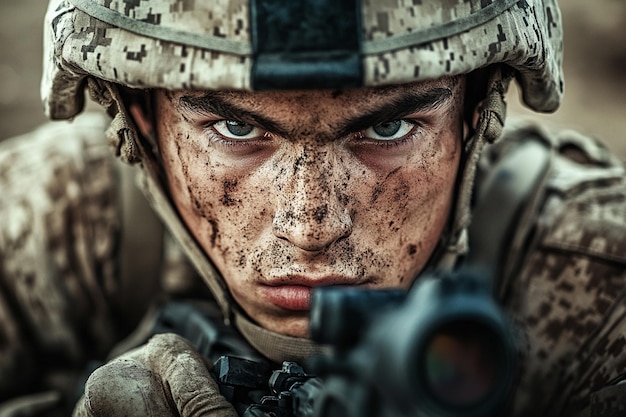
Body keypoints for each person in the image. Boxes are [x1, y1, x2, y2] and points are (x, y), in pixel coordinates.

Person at [0, 0, 625, 416]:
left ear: (474, 115)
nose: (310, 226)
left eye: (387, 131)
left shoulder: (594, 268)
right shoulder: (55, 220)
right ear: (142, 119)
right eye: (235, 131)